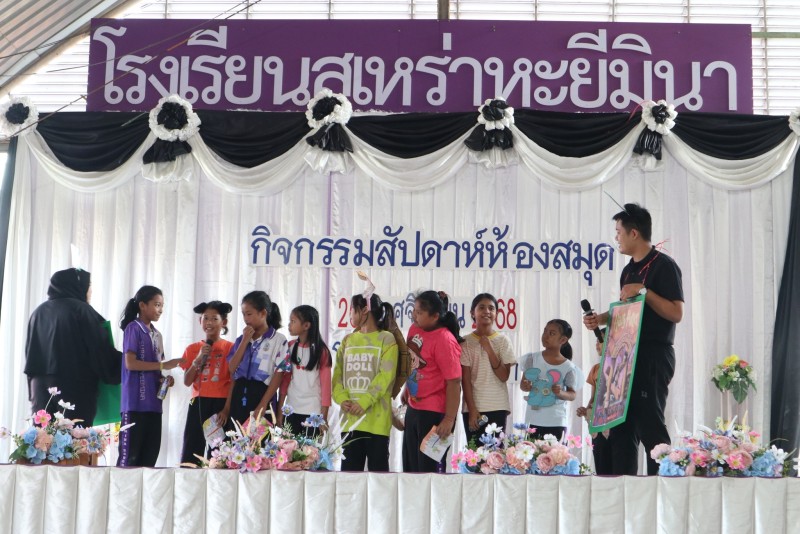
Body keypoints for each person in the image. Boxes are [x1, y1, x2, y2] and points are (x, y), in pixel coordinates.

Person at [583, 202, 684, 475]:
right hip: (624, 357)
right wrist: (601, 320)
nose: (616, 237)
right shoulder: (628, 270)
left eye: (619, 231)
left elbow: (676, 313)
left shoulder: (664, 266)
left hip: (652, 355)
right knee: (620, 428)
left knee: (650, 425)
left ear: (634, 233)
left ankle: (662, 485)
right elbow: (628, 312)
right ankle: (622, 488)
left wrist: (645, 291)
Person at [25, 268, 121, 426]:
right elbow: (98, 349)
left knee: (43, 437)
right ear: (78, 286)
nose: (90, 291)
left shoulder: (38, 312)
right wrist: (123, 361)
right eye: (89, 286)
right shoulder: (81, 309)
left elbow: (30, 353)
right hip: (73, 385)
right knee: (75, 437)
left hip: (40, 387)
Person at [118, 285, 183, 467]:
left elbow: (156, 369)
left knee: (149, 460)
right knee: (129, 460)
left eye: (162, 306)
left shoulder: (157, 335)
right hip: (134, 405)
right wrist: (163, 365)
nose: (160, 310)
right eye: (156, 305)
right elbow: (130, 363)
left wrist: (165, 380)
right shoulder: (133, 328)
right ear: (142, 305)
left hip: (154, 406)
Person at [332, 293, 398, 471]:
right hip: (350, 421)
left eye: (352, 310)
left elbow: (386, 376)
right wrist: (341, 398)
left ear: (364, 311)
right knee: (350, 478)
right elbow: (337, 375)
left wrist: (364, 402)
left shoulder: (386, 339)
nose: (350, 315)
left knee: (379, 479)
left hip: (376, 423)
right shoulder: (348, 340)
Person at [402, 290, 462, 473]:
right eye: (414, 310)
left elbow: (454, 382)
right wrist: (407, 389)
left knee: (429, 471)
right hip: (414, 407)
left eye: (419, 312)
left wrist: (449, 419)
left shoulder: (445, 339)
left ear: (435, 316)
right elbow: (412, 364)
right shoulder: (414, 329)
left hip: (434, 413)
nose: (414, 315)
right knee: (411, 467)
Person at [178, 300, 234, 465]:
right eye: (206, 318)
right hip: (198, 403)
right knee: (192, 448)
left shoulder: (231, 348)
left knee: (219, 452)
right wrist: (198, 358)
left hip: (221, 405)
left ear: (224, 322)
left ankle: (218, 479)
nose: (209, 322)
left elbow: (234, 381)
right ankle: (188, 478)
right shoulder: (192, 349)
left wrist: (226, 409)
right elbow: (187, 381)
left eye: (214, 319)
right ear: (200, 321)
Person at [226, 291, 290, 427]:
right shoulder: (241, 339)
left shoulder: (279, 340)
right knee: (235, 438)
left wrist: (263, 404)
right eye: (243, 314)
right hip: (239, 395)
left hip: (263, 395)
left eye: (249, 314)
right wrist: (245, 341)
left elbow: (278, 375)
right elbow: (231, 368)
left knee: (260, 439)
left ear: (263, 313)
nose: (245, 319)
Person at [460, 293, 516, 445]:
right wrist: (472, 409)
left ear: (496, 313)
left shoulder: (503, 340)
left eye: (491, 308)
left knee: (495, 455)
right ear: (473, 313)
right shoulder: (465, 341)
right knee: (474, 454)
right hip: (473, 408)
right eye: (482, 307)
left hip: (497, 405)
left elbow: (504, 376)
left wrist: (490, 349)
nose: (487, 311)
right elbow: (465, 380)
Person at [520, 319, 582, 441]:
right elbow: (523, 384)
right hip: (533, 419)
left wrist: (560, 392)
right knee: (530, 452)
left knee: (555, 453)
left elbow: (572, 394)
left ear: (563, 340)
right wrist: (525, 386)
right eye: (545, 331)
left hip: (556, 421)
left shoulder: (568, 367)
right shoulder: (532, 358)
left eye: (552, 333)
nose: (545, 336)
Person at [280, 305, 332, 438]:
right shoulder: (290, 346)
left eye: (293, 321)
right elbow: (285, 381)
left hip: (313, 413)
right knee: (288, 449)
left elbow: (326, 387)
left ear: (306, 325)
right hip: (291, 409)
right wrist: (280, 411)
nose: (289, 324)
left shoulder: (322, 351)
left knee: (309, 450)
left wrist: (323, 417)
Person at [576, 328, 612, 475]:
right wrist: (586, 410)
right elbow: (593, 397)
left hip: (614, 418)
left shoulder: (621, 366)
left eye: (601, 341)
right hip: (598, 419)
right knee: (600, 459)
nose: (597, 345)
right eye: (597, 341)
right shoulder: (596, 369)